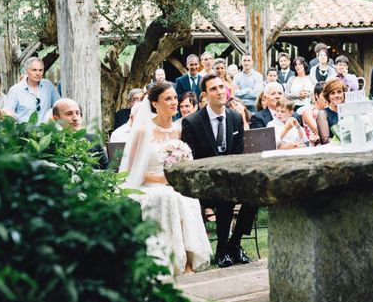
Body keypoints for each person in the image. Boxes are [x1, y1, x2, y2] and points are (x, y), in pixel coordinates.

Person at [119, 82, 212, 274]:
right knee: (168, 197)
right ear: (154, 103)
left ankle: (188, 259)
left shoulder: (178, 130)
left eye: (175, 98)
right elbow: (129, 171)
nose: (174, 102)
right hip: (146, 185)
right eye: (168, 98)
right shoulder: (144, 131)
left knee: (188, 198)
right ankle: (174, 262)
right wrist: (161, 180)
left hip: (172, 184)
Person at [181, 74, 255, 268]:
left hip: (230, 180)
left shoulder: (235, 118)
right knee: (225, 198)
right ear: (205, 94)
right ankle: (222, 250)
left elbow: (237, 156)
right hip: (204, 185)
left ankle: (235, 244)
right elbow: (192, 161)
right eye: (213, 89)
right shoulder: (193, 122)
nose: (220, 91)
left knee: (254, 194)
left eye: (222, 87)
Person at [52, 98, 109, 170]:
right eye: (69, 114)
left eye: (77, 113)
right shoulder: (53, 143)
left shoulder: (93, 139)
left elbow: (108, 170)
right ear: (57, 118)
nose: (75, 118)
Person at [3, 57, 60, 124]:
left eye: (40, 70)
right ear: (27, 70)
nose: (38, 73)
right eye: (34, 70)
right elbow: (7, 114)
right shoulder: (15, 90)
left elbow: (59, 106)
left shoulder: (48, 85)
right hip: (24, 132)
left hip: (45, 131)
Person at [317, 79, 347, 145]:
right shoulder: (323, 114)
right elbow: (325, 141)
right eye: (332, 93)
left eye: (339, 92)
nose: (336, 96)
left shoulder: (349, 111)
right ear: (328, 97)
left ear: (344, 94)